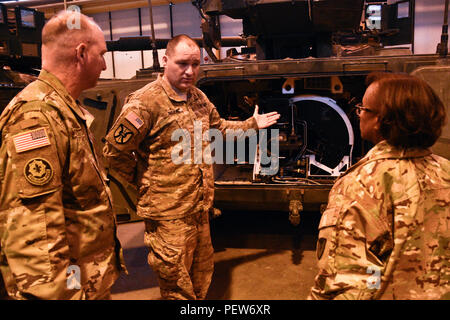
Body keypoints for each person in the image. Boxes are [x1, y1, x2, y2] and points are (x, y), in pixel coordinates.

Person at [103, 34, 280, 300]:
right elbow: (113, 152)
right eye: (182, 63)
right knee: (176, 288)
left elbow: (219, 129)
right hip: (167, 216)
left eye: (195, 64)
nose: (189, 71)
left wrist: (251, 124)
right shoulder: (145, 102)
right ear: (165, 60)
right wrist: (144, 182)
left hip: (199, 210)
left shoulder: (198, 98)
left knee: (201, 279)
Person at [0, 10, 126, 300]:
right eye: (102, 54)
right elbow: (34, 235)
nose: (105, 64)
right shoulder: (37, 116)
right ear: (81, 53)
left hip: (84, 278)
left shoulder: (63, 108)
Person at [309, 72, 450, 300]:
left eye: (363, 109)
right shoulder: (446, 171)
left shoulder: (360, 185)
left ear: (380, 120)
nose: (359, 115)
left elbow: (351, 284)